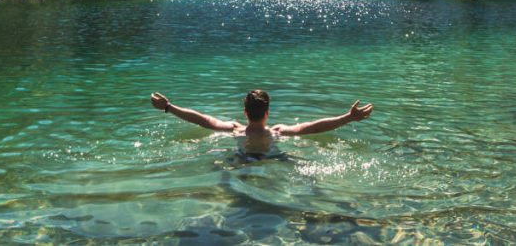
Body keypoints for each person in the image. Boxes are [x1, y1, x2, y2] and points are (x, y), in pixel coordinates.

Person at [150, 89, 373, 157]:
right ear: (268, 112)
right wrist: (348, 117)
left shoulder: (233, 130)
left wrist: (169, 107)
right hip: (274, 159)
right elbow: (315, 126)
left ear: (245, 112)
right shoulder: (278, 132)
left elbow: (202, 119)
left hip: (241, 160)